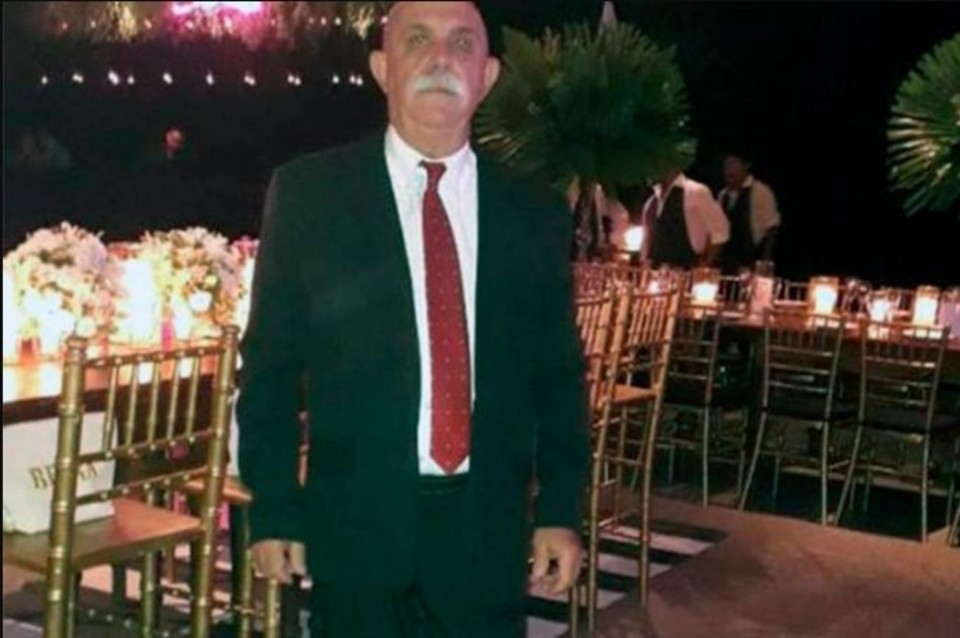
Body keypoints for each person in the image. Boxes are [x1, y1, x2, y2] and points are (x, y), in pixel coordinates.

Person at [237, 3, 590, 638]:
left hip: (484, 537)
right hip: (356, 532)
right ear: (382, 68)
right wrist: (275, 508)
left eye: (462, 44)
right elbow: (269, 369)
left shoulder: (532, 213)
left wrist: (560, 510)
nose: (440, 59)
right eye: (417, 40)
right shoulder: (312, 195)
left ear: (487, 76)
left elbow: (559, 379)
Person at [641, 168, 730, 268]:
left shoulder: (695, 192)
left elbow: (720, 231)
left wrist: (706, 265)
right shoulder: (651, 202)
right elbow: (647, 241)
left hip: (687, 268)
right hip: (656, 270)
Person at [717, 152, 780, 272]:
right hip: (727, 260)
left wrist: (765, 262)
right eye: (726, 165)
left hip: (752, 258)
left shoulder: (760, 191)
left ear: (746, 165)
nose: (729, 170)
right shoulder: (723, 195)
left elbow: (771, 229)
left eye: (733, 163)